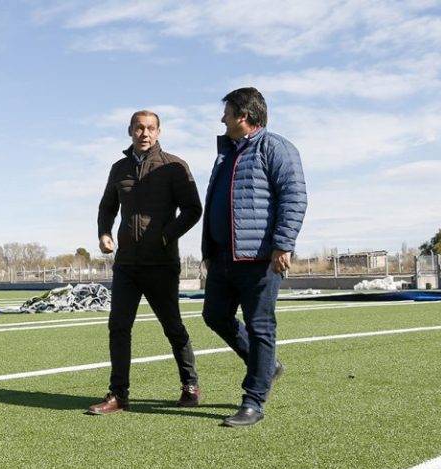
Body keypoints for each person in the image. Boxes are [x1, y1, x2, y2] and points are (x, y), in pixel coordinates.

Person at [201, 87, 307, 427]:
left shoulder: (275, 148)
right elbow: (217, 202)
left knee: (260, 326)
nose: (223, 119)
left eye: (227, 112)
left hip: (260, 259)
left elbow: (294, 197)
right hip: (223, 257)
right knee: (215, 315)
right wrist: (208, 250)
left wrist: (283, 244)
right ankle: (267, 366)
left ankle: (254, 401)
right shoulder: (227, 153)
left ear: (243, 116)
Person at [88, 110, 203, 415]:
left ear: (159, 132)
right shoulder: (119, 169)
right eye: (139, 128)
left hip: (161, 264)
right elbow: (107, 207)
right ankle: (118, 395)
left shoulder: (174, 166)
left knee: (172, 326)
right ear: (130, 131)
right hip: (126, 264)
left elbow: (193, 209)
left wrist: (166, 236)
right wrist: (104, 233)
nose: (145, 133)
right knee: (118, 326)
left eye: (151, 128)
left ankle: (190, 385)